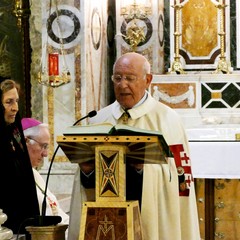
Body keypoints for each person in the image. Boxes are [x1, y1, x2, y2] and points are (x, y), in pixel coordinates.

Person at [68, 52, 201, 240]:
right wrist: (87, 172)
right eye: (118, 78)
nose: (123, 85)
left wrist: (143, 169)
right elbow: (85, 178)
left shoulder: (167, 120)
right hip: (106, 218)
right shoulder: (98, 119)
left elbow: (180, 180)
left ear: (148, 80)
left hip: (150, 213)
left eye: (130, 78)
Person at [0, 79, 39, 236]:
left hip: (23, 224)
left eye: (16, 101)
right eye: (9, 102)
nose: (15, 108)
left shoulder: (15, 132)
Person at [21, 118, 69, 226]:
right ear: (26, 142)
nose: (46, 154)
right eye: (43, 146)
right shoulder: (15, 174)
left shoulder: (34, 174)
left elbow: (56, 211)